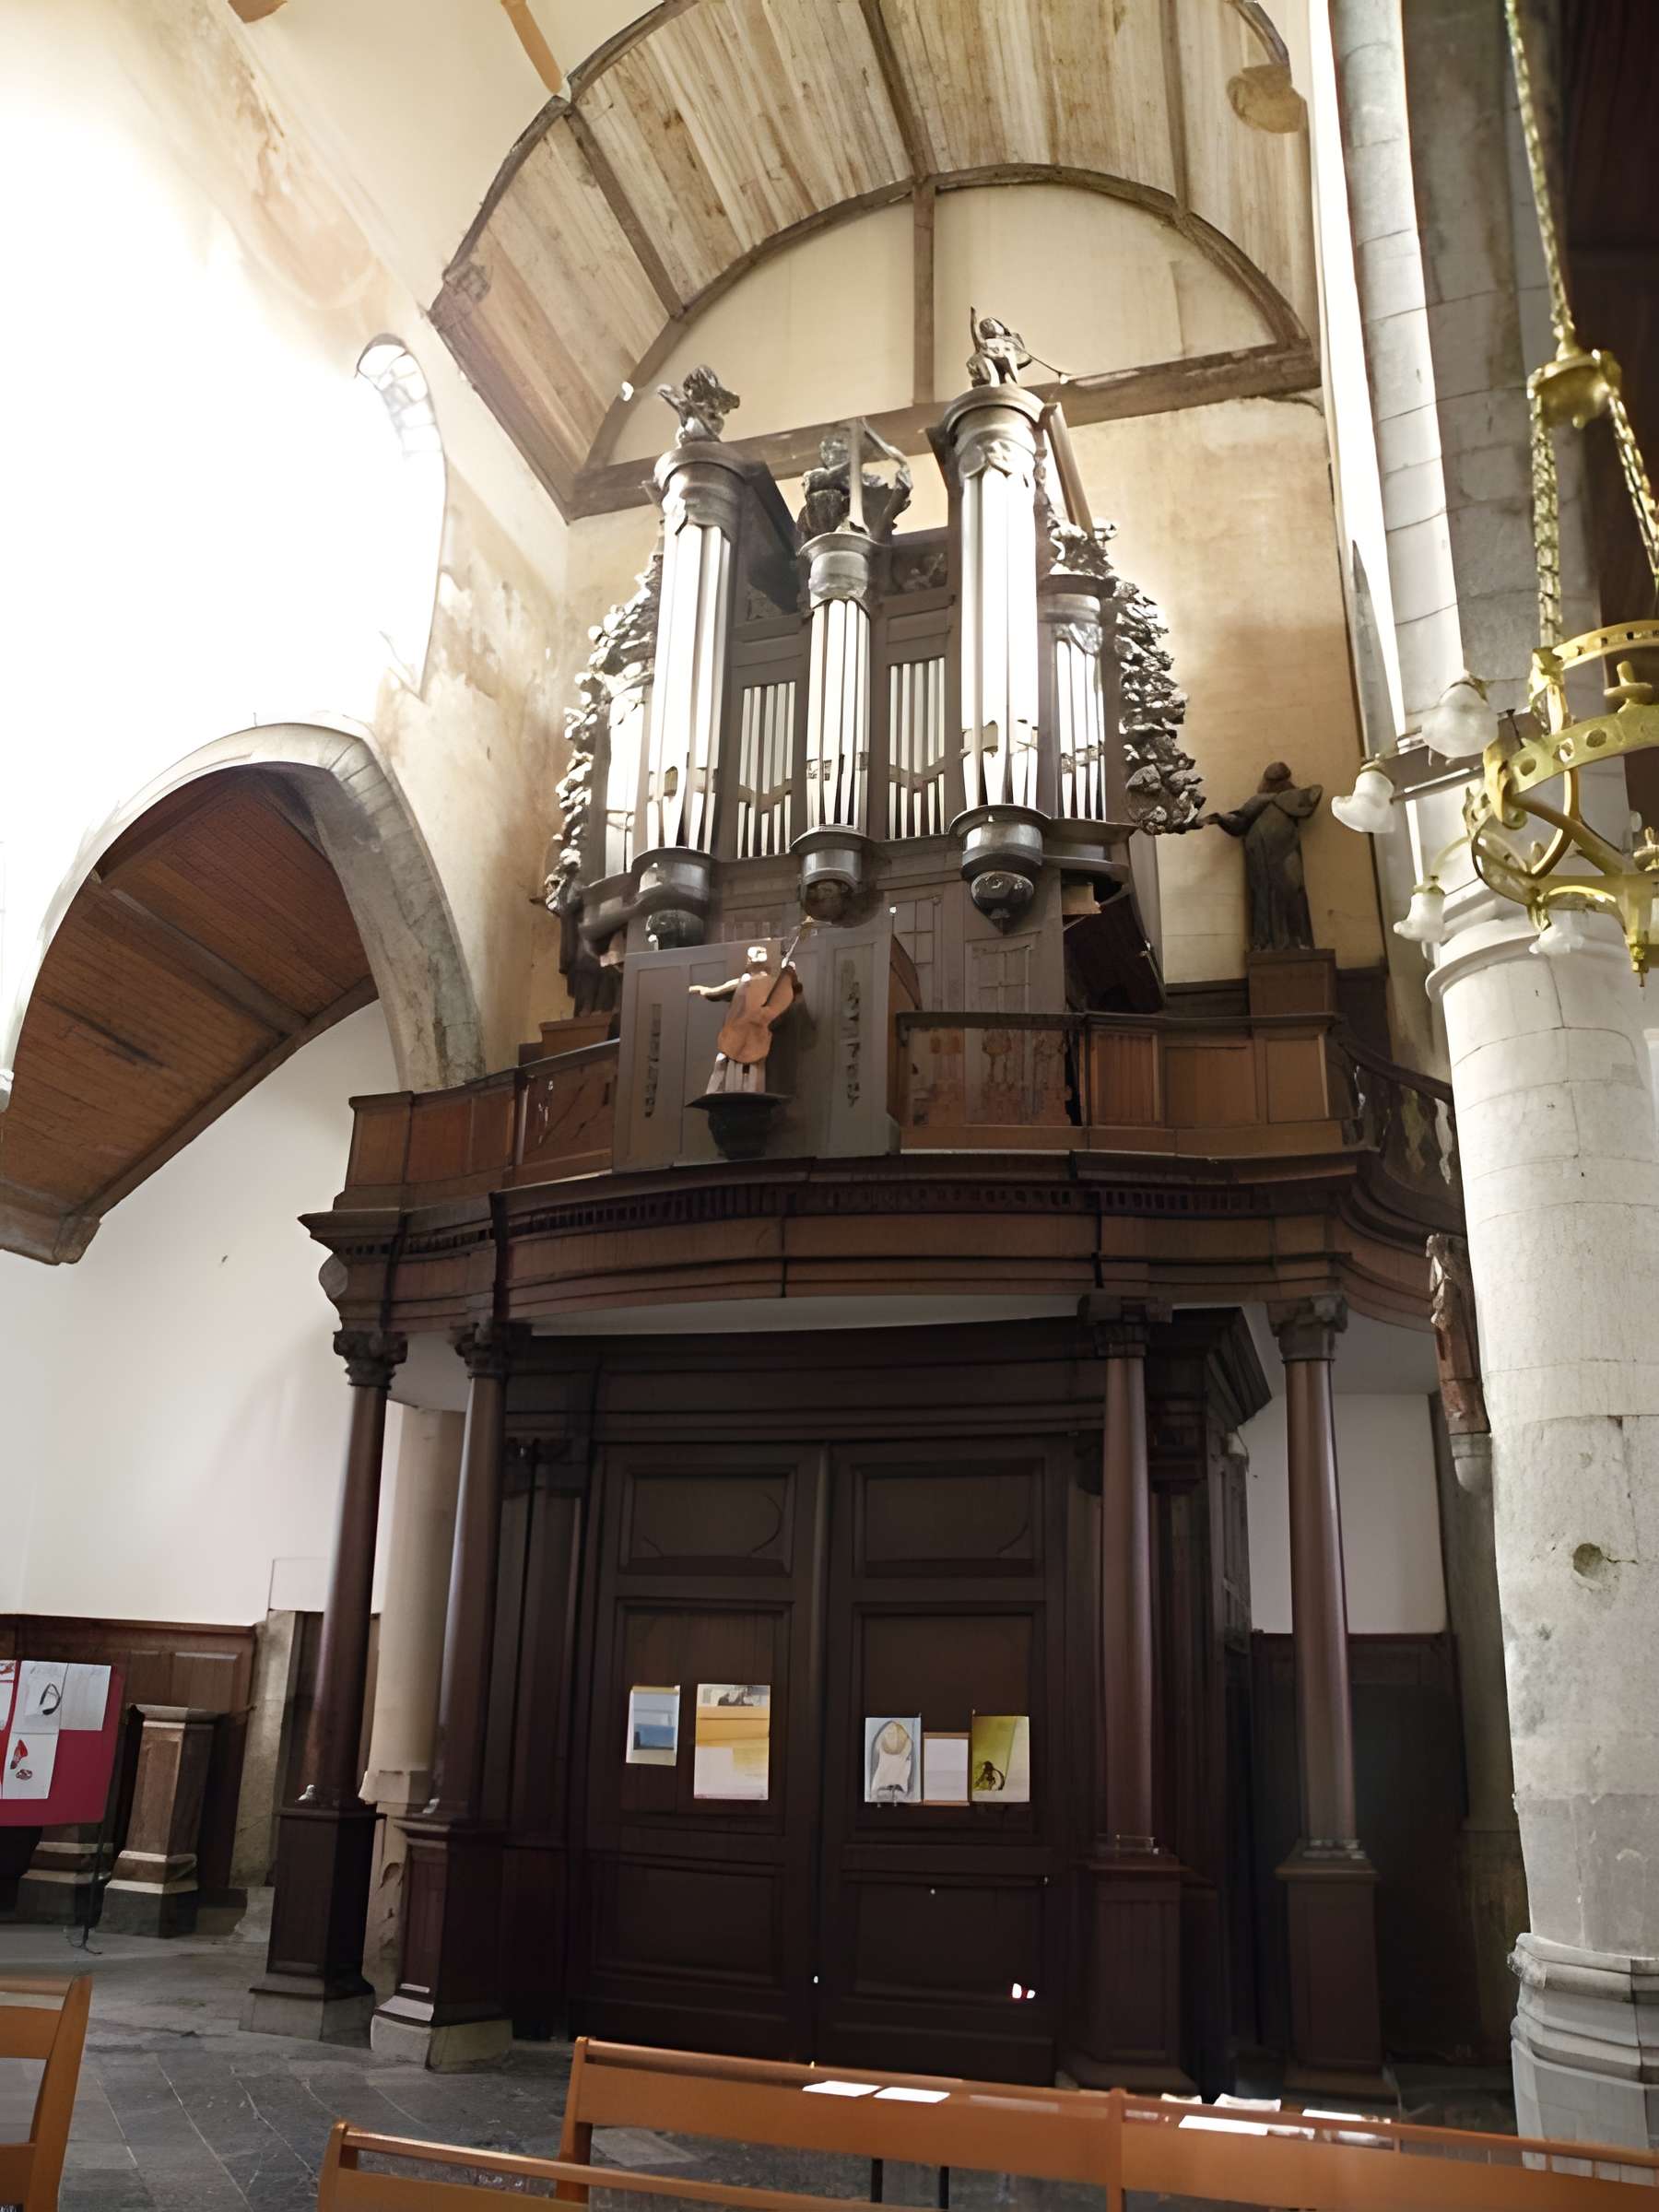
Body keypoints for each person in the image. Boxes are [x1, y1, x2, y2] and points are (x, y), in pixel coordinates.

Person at [1203, 761, 1323, 951]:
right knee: (1264, 897)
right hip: (1261, 856)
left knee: (1292, 893)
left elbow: (1314, 793)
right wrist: (1220, 819)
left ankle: (1297, 941)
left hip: (1285, 853)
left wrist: (1278, 798)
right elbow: (1240, 820)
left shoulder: (1290, 799)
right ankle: (1267, 942)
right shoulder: (1257, 802)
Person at [689, 942, 802, 1094]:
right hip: (753, 1043)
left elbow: (713, 994)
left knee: (728, 1076)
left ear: (749, 963)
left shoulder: (748, 982)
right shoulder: (769, 985)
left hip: (736, 1041)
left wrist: (700, 990)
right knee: (749, 1080)